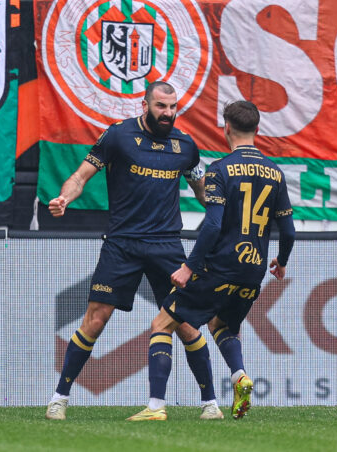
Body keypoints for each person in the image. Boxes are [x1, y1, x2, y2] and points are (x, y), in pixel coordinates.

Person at [45, 81, 223, 421]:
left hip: (166, 245)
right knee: (95, 320)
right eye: (161, 106)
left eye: (172, 107)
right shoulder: (118, 136)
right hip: (122, 244)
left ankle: (210, 405)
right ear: (145, 105)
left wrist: (226, 216)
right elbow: (80, 177)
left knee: (186, 324)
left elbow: (204, 193)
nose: (168, 113)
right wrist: (65, 197)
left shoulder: (186, 146)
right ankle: (59, 399)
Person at [126, 100, 295, 421]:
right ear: (258, 129)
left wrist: (189, 267)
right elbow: (288, 230)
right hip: (254, 269)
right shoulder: (276, 173)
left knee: (162, 324)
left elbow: (214, 225)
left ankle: (155, 407)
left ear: (226, 128)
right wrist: (282, 261)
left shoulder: (220, 169)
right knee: (222, 325)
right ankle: (239, 375)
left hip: (220, 265)